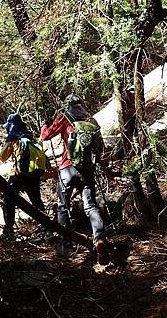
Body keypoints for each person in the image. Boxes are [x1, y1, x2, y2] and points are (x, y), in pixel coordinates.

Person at [40, 93, 108, 260]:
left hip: (66, 168)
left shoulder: (65, 117)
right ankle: (100, 239)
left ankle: (64, 245)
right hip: (87, 170)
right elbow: (101, 148)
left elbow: (46, 136)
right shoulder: (91, 120)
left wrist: (44, 124)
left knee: (63, 206)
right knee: (91, 206)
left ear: (66, 105)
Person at [0, 113, 46, 240]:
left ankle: (9, 230)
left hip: (19, 174)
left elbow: (2, 157)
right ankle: (47, 227)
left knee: (8, 199)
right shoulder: (29, 136)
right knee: (36, 200)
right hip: (33, 173)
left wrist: (1, 145)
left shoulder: (13, 139)